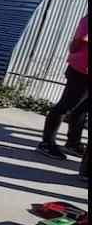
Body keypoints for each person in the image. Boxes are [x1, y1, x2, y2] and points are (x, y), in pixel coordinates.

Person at [36, 14, 88, 161]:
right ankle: (47, 143)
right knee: (65, 107)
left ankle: (73, 143)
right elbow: (76, 43)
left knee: (81, 109)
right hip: (81, 72)